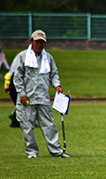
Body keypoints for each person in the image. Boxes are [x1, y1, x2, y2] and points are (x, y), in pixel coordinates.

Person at [13, 30, 71, 158]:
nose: (39, 44)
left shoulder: (48, 57)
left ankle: (56, 151)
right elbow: (17, 77)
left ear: (45, 43)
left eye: (42, 42)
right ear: (31, 41)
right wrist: (22, 94)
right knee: (27, 126)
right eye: (37, 41)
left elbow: (53, 74)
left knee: (49, 125)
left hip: (43, 97)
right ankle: (32, 152)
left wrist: (57, 85)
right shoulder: (22, 57)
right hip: (26, 98)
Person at [4, 58, 20, 128]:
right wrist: (8, 86)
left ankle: (16, 121)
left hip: (14, 88)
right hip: (14, 88)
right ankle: (15, 122)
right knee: (19, 105)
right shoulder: (16, 72)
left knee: (19, 105)